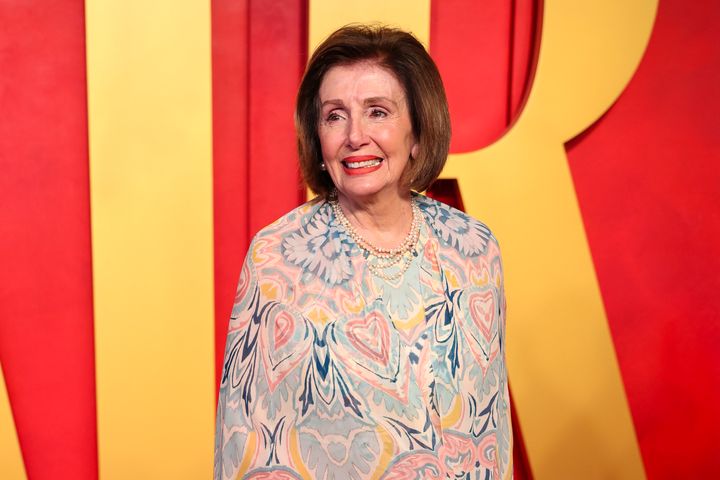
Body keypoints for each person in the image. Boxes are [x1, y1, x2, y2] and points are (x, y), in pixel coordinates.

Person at [214, 24, 512, 480]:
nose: (354, 136)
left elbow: (491, 432)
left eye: (377, 112)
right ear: (318, 139)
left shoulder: (473, 249)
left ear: (417, 132)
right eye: (335, 115)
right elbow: (245, 443)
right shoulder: (277, 258)